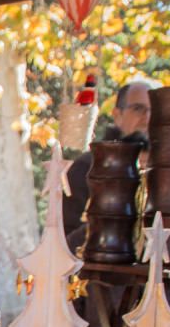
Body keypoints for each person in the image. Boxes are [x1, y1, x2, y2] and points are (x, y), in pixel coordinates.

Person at [63, 80, 154, 251]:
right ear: (117, 115)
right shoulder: (86, 168)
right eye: (138, 109)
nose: (147, 118)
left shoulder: (168, 173)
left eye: (154, 110)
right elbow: (64, 245)